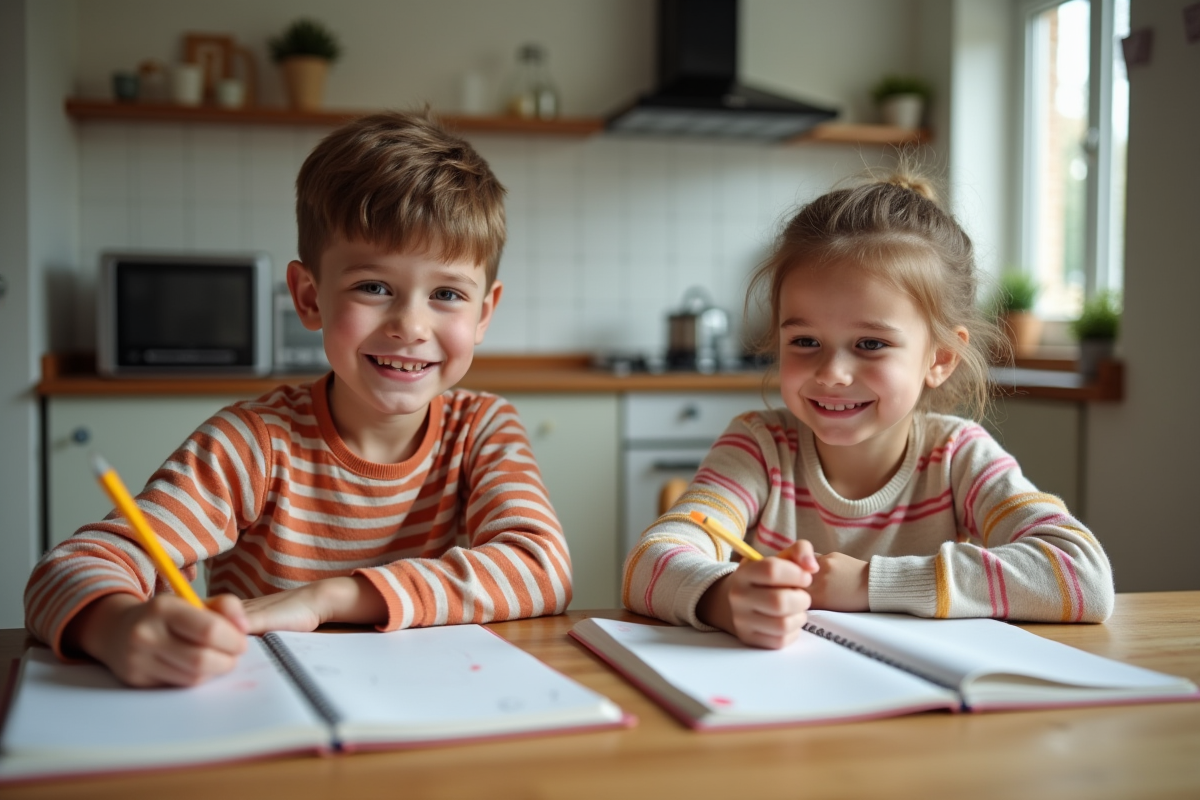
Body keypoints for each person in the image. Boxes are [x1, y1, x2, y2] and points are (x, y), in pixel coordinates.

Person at [25, 111, 571, 686]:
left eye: (446, 294)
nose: (410, 325)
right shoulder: (251, 442)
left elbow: (542, 570)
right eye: (374, 287)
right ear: (309, 297)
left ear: (483, 312)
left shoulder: (481, 427)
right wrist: (116, 628)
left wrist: (330, 598)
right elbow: (64, 573)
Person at [623, 171, 1114, 649]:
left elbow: (1082, 576)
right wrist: (723, 598)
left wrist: (868, 584)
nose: (832, 372)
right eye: (805, 341)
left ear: (940, 358)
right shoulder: (758, 447)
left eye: (871, 343)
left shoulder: (959, 456)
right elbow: (648, 562)